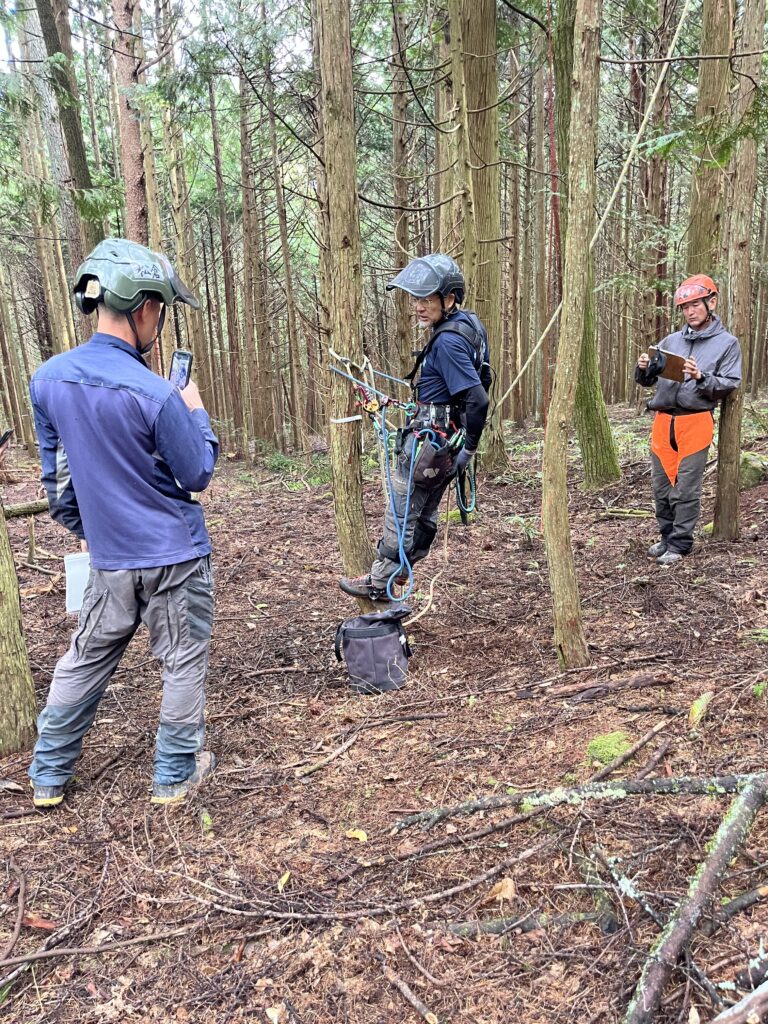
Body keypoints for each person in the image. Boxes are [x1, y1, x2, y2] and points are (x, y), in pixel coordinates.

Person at [28, 239, 219, 808]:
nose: (158, 320)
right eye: (158, 308)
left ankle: (48, 773)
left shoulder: (48, 381)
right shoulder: (159, 394)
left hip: (109, 558)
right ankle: (175, 774)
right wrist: (196, 409)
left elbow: (59, 486)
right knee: (182, 659)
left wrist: (92, 528)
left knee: (84, 657)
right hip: (175, 556)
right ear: (141, 308)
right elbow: (199, 471)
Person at [340, 254, 490, 602]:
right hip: (444, 443)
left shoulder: (449, 342)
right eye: (415, 299)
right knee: (424, 513)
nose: (418, 307)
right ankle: (401, 577)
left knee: (401, 512)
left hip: (429, 443)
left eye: (426, 299)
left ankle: (380, 582)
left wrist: (469, 446)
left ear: (449, 299)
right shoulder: (469, 326)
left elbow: (477, 398)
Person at [635, 274, 741, 566]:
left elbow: (730, 383)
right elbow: (648, 380)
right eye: (684, 307)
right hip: (663, 420)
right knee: (661, 485)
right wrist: (644, 368)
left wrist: (700, 377)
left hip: (695, 421)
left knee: (686, 488)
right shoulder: (671, 340)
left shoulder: (726, 344)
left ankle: (681, 544)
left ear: (711, 302)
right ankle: (666, 536)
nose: (690, 311)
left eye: (695, 304)